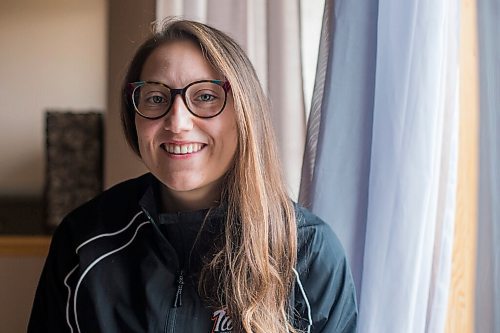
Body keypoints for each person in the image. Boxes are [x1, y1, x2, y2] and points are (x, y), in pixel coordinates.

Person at [28, 18, 357, 333]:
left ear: (244, 112)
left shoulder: (307, 253)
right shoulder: (83, 241)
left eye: (205, 97)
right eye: (156, 98)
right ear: (134, 119)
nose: (178, 122)